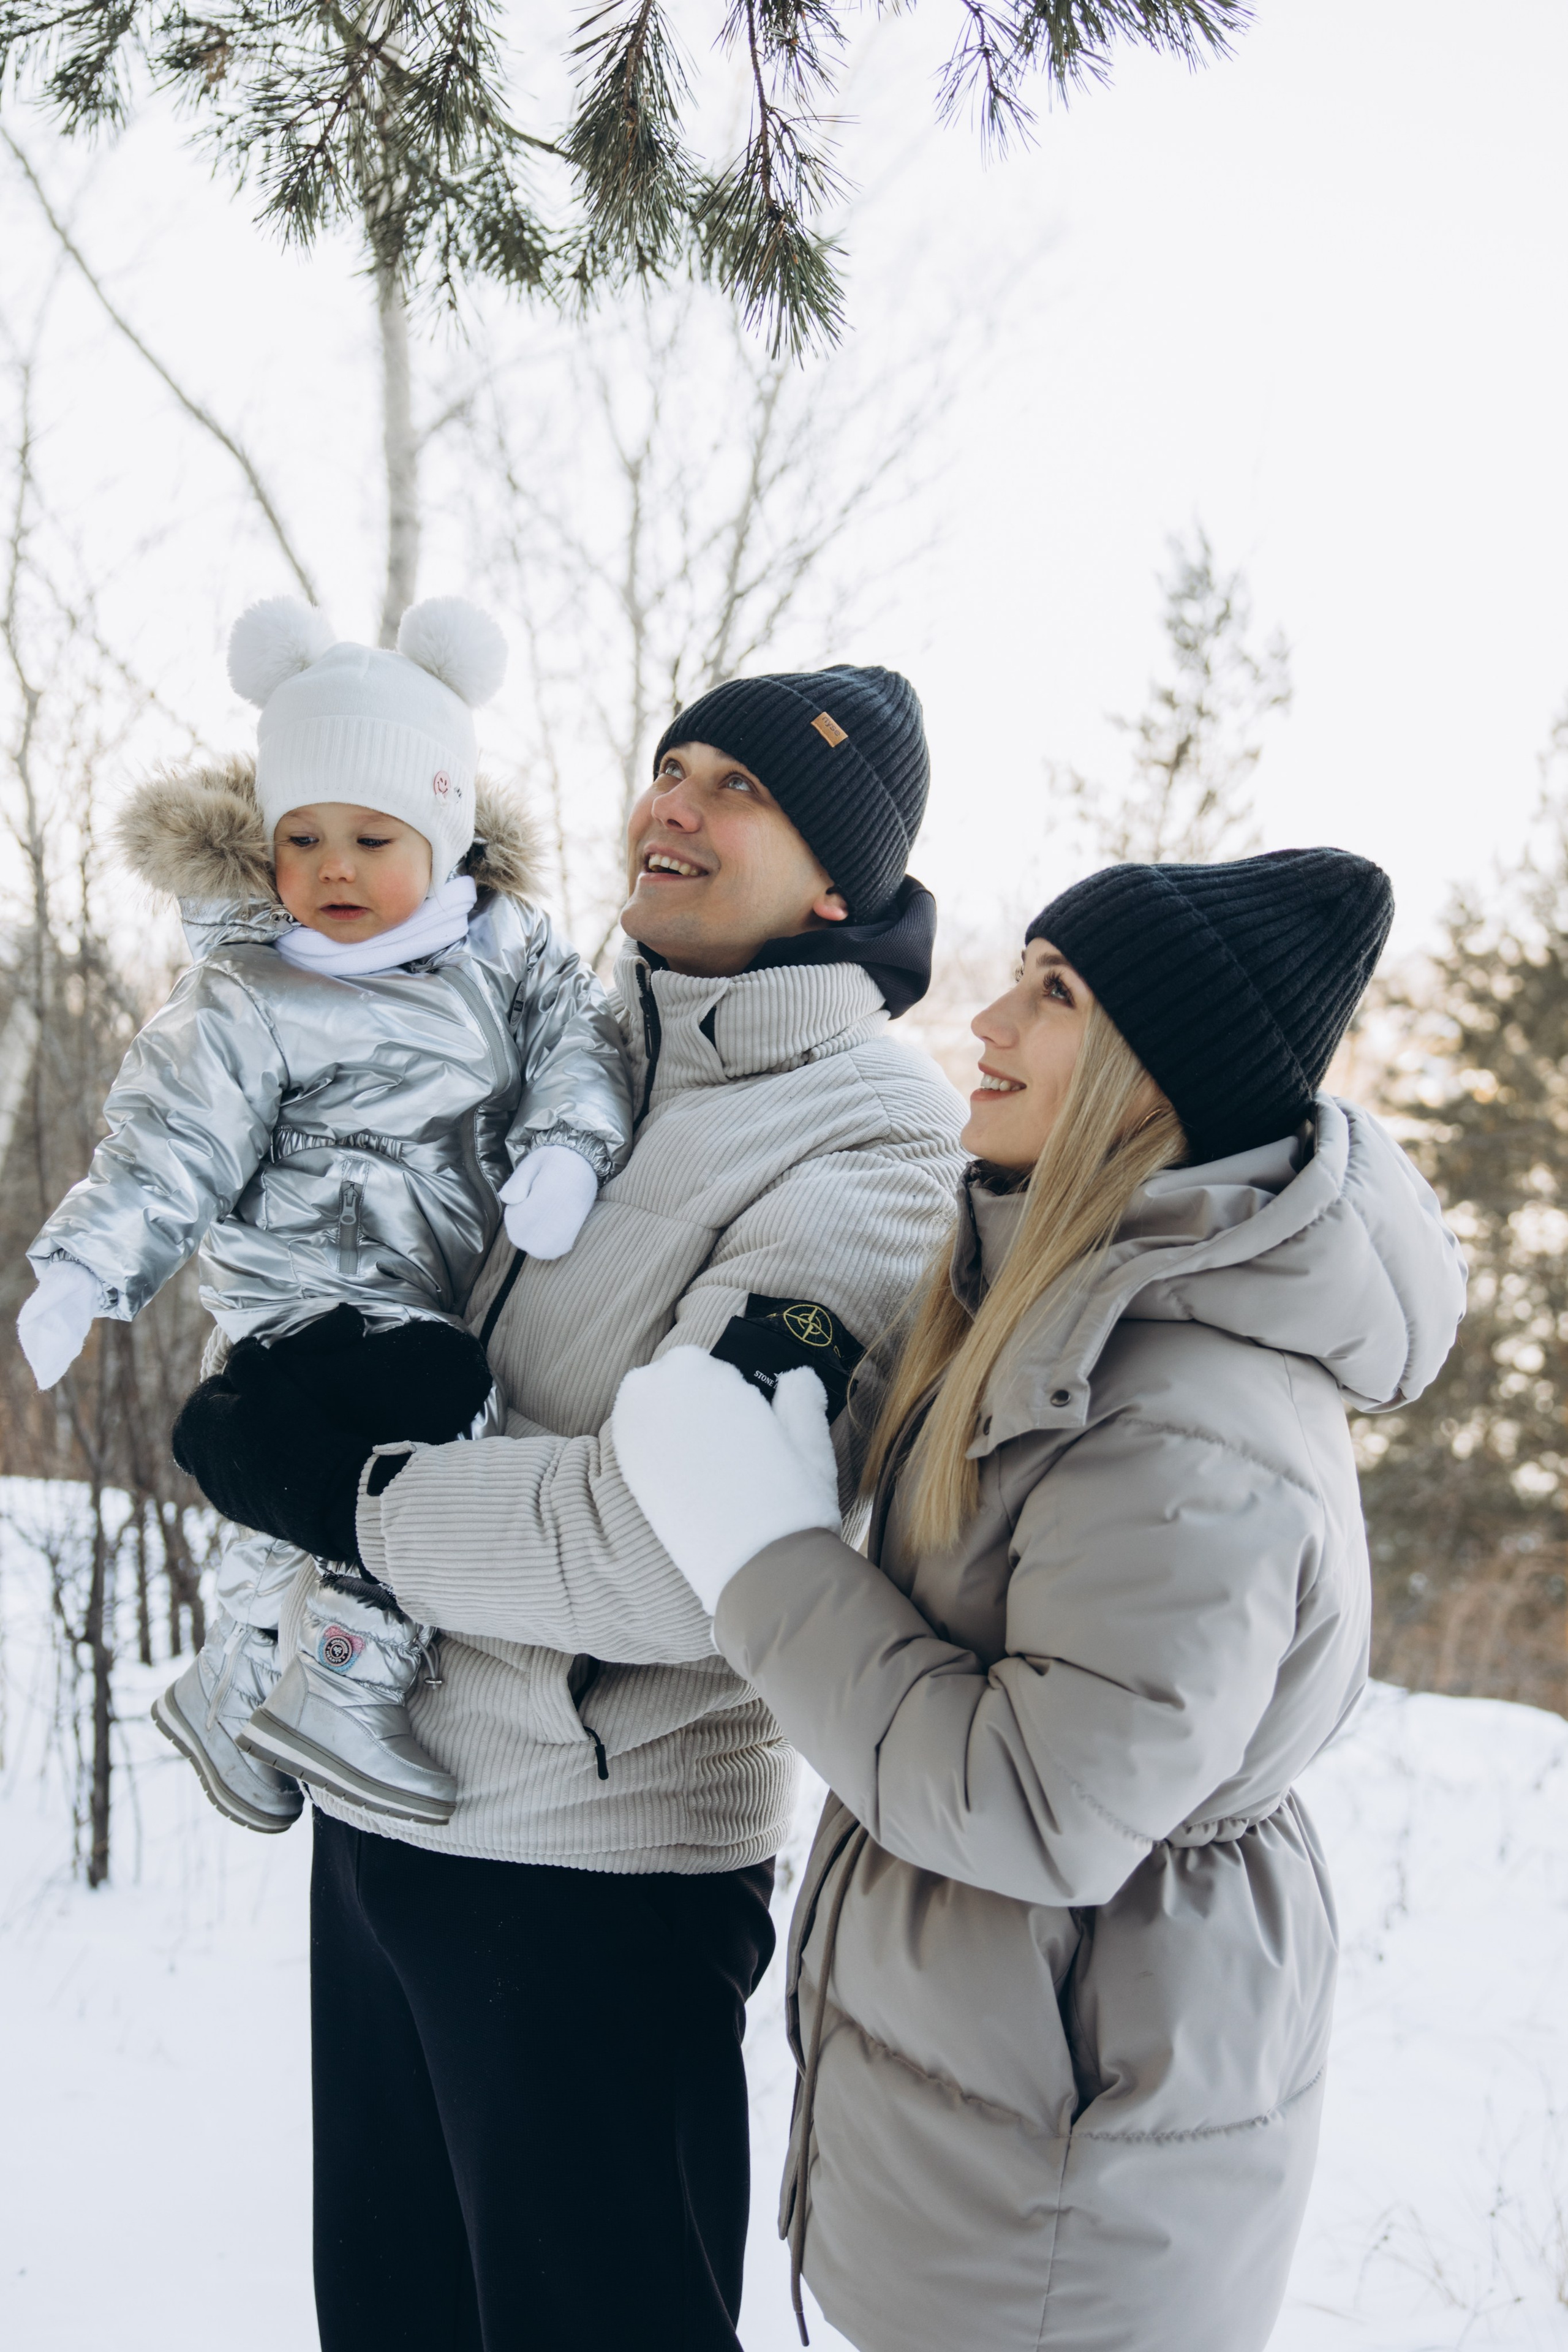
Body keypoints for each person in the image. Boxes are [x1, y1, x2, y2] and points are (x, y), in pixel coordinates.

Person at [171, 663, 970, 2352]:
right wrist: (276, 1377)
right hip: (387, 1820)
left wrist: (352, 1496)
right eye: (670, 766)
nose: (668, 803)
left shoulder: (876, 1153)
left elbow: (700, 1556)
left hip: (594, 1890)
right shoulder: (566, 1055)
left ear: (841, 880)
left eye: (735, 789)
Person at [612, 848, 1469, 2352]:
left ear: (1156, 1081)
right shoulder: (1075, 1310)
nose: (989, 1019)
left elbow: (1038, 1807)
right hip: (1005, 2123)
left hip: (1064, 2182)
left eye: (1053, 993)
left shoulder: (1181, 1424)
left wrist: (762, 1558)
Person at [18, 595, 631, 1830]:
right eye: (301, 838)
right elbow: (168, 1140)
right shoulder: (249, 989)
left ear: (448, 833)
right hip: (299, 1296)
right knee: (432, 1425)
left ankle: (240, 1666)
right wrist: (86, 1264)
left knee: (335, 1483)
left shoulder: (508, 956)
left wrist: (567, 1149)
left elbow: (581, 1044)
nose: (333, 869)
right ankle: (349, 1685)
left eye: (371, 835)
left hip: (422, 1280)